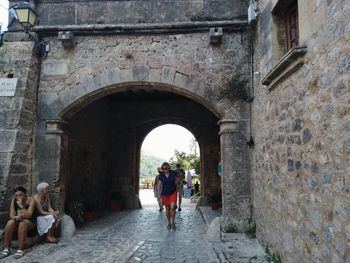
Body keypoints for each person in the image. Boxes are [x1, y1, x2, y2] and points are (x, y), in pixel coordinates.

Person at [0, 186, 36, 259]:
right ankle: (6, 248)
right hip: (18, 220)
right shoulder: (14, 200)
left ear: (25, 194)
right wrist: (16, 217)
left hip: (30, 222)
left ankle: (20, 250)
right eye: (16, 195)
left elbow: (29, 215)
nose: (18, 197)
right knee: (10, 222)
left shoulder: (31, 200)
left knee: (23, 223)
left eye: (20, 195)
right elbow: (11, 215)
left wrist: (21, 206)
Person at [158, 162, 177, 230]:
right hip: (165, 194)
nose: (164, 170)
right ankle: (169, 223)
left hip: (173, 192)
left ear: (168, 168)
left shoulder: (173, 172)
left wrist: (178, 182)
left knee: (172, 208)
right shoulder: (161, 175)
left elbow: (180, 176)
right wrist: (159, 194)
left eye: (165, 168)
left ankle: (173, 223)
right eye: (163, 169)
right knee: (167, 209)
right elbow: (159, 185)